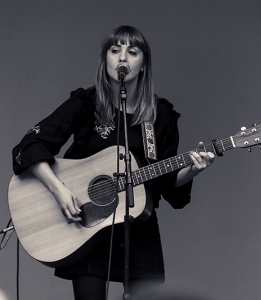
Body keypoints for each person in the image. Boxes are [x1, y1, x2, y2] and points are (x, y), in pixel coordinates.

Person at [12, 25, 215, 300]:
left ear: (143, 64)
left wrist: (192, 169)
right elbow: (30, 146)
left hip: (138, 230)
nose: (122, 58)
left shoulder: (160, 114)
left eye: (132, 52)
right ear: (105, 59)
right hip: (86, 229)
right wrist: (59, 191)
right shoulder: (87, 103)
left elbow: (167, 182)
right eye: (115, 50)